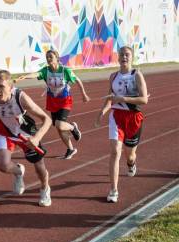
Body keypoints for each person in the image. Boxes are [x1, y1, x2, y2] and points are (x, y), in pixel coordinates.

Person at [0, 70, 53, 206]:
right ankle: (19, 171)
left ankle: (45, 188)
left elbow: (47, 119)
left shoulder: (21, 98)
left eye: (1, 86)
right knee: (3, 166)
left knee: (39, 166)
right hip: (4, 132)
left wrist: (36, 138)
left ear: (10, 87)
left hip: (25, 133)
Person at [95, 46, 148, 203]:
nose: (124, 57)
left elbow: (144, 100)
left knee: (129, 155)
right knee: (115, 152)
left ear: (132, 58)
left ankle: (131, 164)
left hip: (133, 118)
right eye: (122, 55)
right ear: (118, 58)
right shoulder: (113, 76)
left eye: (127, 55)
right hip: (116, 117)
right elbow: (110, 98)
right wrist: (101, 113)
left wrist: (123, 99)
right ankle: (113, 190)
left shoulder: (136, 75)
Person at [18, 49, 90, 159]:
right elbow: (37, 73)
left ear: (57, 58)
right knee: (59, 128)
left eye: (51, 56)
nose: (49, 59)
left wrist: (84, 94)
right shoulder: (46, 70)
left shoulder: (65, 70)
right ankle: (70, 149)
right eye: (47, 57)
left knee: (59, 124)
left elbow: (78, 80)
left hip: (65, 100)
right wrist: (25, 76)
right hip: (52, 101)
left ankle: (73, 127)